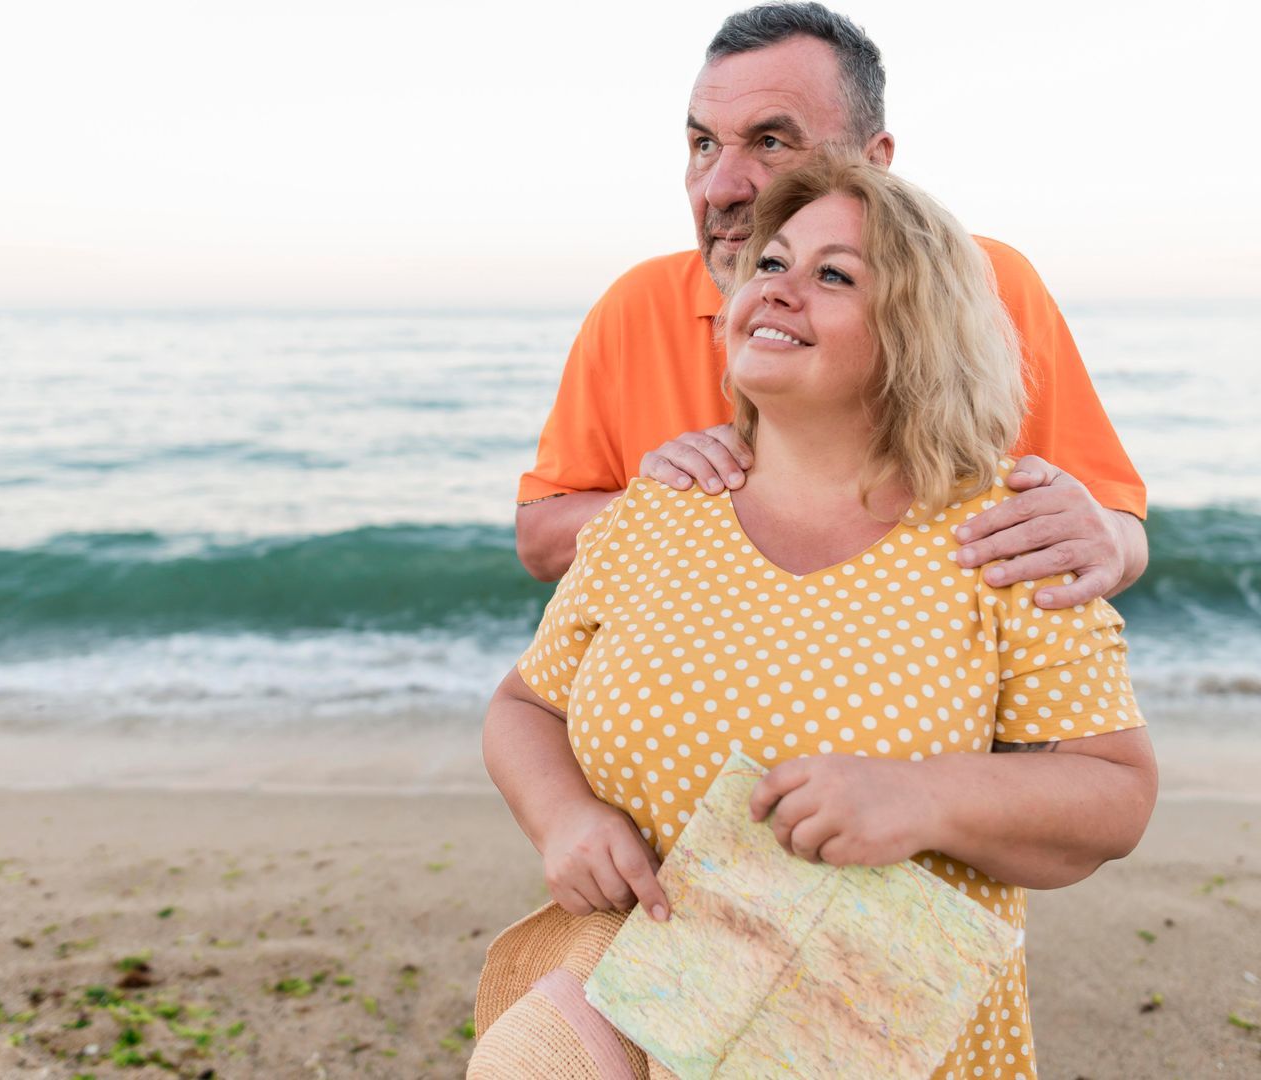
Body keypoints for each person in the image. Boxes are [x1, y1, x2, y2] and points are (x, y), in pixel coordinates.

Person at [469, 157, 1157, 1080]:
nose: (777, 291)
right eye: (769, 265)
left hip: (879, 1039)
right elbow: (525, 707)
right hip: (645, 1008)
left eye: (833, 274)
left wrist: (924, 799)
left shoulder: (1007, 531)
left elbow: (1115, 792)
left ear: (917, 332)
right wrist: (563, 820)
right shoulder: (653, 512)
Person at [514, 3, 1147, 619]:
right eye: (703, 143)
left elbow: (1114, 528)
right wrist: (662, 501)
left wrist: (1104, 542)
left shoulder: (986, 285)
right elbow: (541, 541)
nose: (720, 188)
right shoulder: (636, 304)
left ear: (875, 162)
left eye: (770, 141)